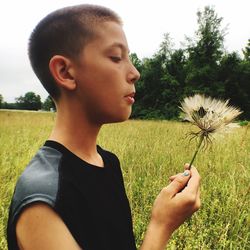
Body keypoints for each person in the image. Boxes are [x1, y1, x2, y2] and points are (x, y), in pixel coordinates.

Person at [7, 4, 201, 250]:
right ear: (65, 72)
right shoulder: (42, 200)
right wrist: (161, 226)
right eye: (116, 58)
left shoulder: (108, 162)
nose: (135, 73)